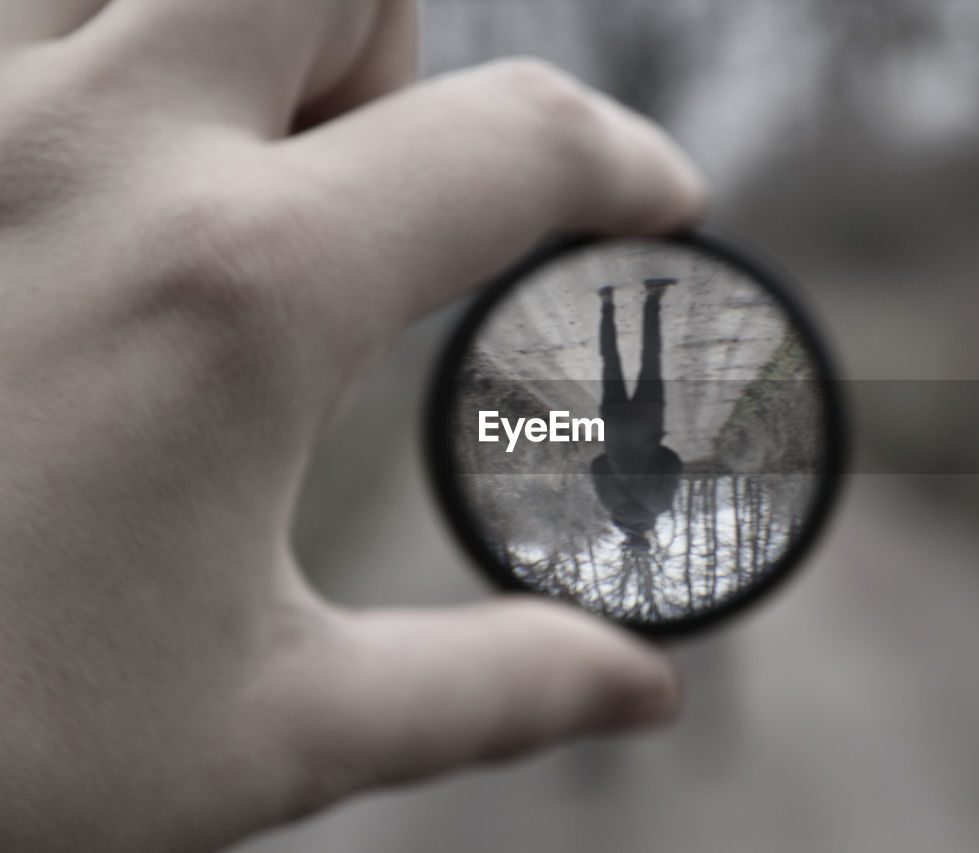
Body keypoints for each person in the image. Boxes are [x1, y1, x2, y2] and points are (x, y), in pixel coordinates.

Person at [0, 2, 706, 851]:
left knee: (629, 362)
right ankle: (629, 308)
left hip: (625, 420)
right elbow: (644, 459)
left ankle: (626, 307)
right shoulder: (647, 500)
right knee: (635, 364)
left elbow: (620, 463)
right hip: (635, 422)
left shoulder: (633, 501)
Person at [591, 280, 685, 552]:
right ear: (626, 537)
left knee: (651, 358)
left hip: (648, 418)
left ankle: (653, 296)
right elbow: (597, 465)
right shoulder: (610, 504)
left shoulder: (660, 505)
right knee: (610, 361)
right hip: (614, 423)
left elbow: (673, 462)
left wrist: (654, 450)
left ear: (646, 537)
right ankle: (606, 302)